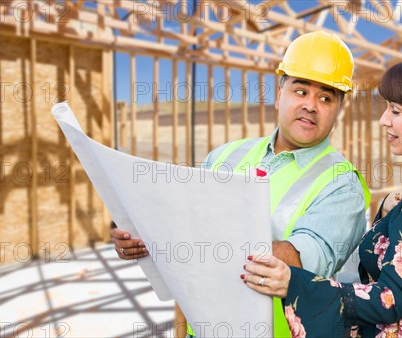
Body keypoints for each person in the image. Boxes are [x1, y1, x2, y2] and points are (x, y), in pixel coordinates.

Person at [111, 30, 370, 337]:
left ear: (337, 109)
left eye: (325, 97)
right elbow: (184, 224)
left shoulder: (342, 184)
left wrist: (184, 243)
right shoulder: (225, 155)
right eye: (300, 91)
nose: (311, 105)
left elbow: (302, 261)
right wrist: (145, 240)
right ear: (279, 94)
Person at [243, 50, 402, 338]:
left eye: (396, 111)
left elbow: (390, 300)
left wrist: (294, 282)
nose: (383, 120)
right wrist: (392, 211)